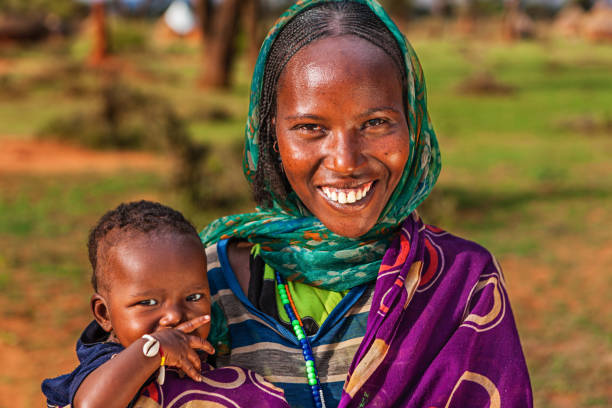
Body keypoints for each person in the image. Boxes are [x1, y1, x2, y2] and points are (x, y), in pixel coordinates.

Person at [200, 1, 533, 408]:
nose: (346, 161)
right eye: (310, 128)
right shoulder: (200, 288)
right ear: (271, 133)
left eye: (375, 123)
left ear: (413, 123)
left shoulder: (462, 283)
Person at [42, 200, 289, 408]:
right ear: (104, 314)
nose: (173, 315)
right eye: (148, 302)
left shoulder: (210, 356)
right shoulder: (108, 361)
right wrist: (154, 349)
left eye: (193, 298)